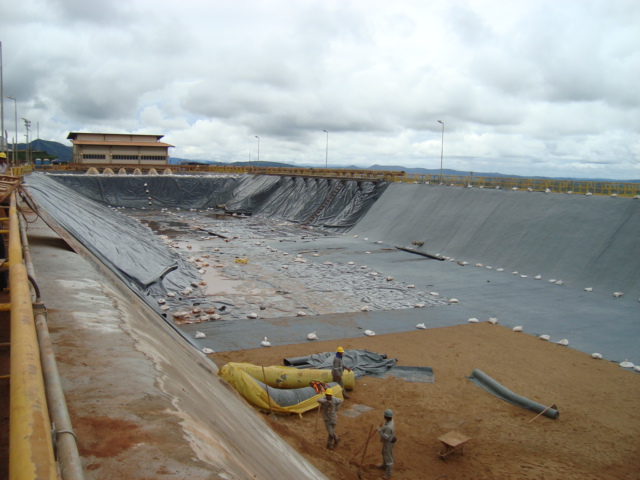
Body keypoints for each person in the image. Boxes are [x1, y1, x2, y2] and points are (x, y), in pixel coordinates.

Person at [377, 409, 396, 478]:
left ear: (386, 416)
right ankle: (384, 465)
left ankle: (388, 473)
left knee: (388, 457)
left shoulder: (389, 427)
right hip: (387, 441)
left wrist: (379, 431)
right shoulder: (390, 421)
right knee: (384, 453)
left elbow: (386, 437)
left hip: (388, 442)